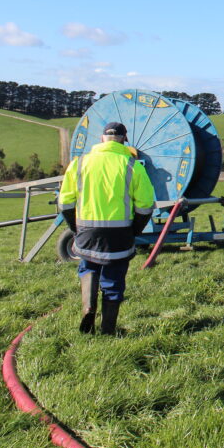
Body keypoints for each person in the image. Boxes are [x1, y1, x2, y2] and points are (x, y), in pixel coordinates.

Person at [58, 122, 155, 334]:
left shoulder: (79, 164)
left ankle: (88, 307)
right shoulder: (132, 166)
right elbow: (146, 206)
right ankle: (108, 329)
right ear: (124, 140)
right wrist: (134, 231)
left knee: (89, 267)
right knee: (114, 278)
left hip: (86, 231)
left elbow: (65, 202)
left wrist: (75, 228)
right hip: (119, 234)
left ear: (102, 139)